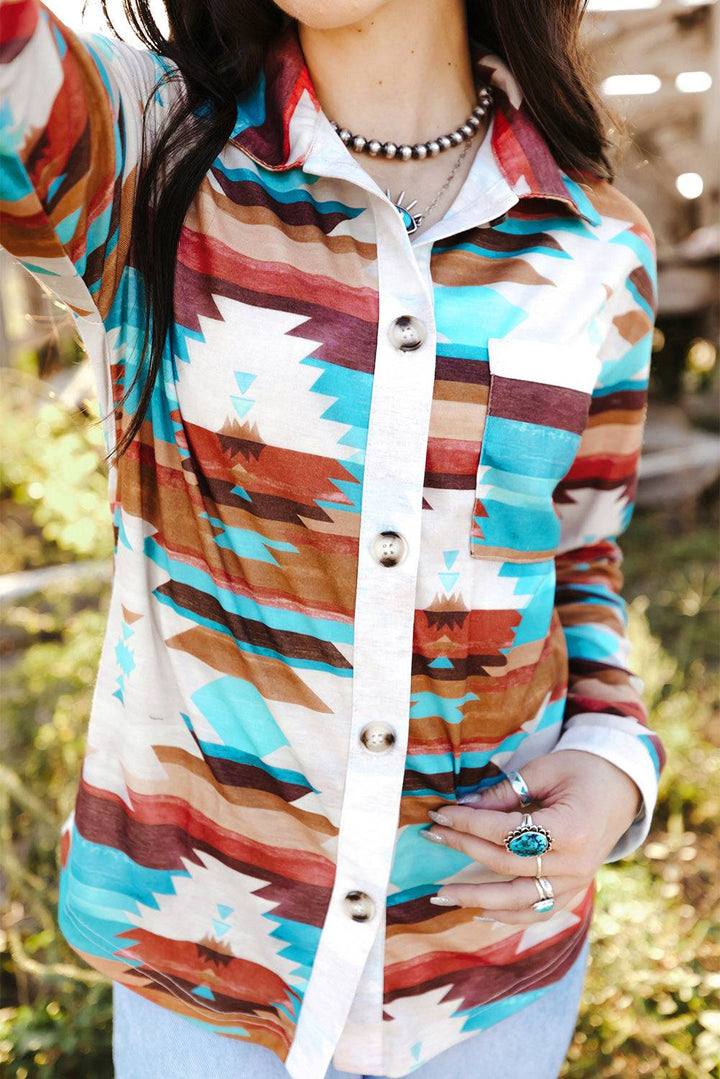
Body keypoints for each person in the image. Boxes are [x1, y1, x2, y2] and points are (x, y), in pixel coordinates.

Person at [0, 0, 668, 1076]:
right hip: (207, 971)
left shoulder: (598, 246)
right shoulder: (147, 155)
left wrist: (615, 763)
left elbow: (581, 551)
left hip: (489, 986)